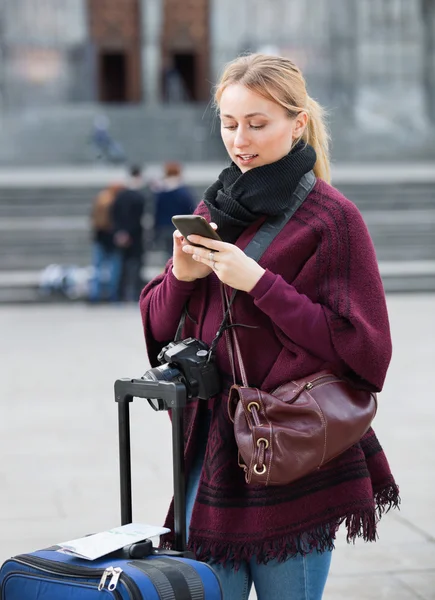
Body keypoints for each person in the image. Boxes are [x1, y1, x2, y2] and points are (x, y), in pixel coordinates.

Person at [139, 54, 399, 600]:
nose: (241, 140)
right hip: (211, 451)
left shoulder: (333, 219)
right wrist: (183, 277)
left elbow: (364, 350)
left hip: (293, 442)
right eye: (229, 124)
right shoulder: (215, 207)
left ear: (297, 122)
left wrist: (259, 283)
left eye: (258, 124)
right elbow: (159, 327)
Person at [112, 165, 145, 301]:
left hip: (121, 235)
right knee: (135, 266)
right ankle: (135, 293)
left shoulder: (120, 195)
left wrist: (120, 232)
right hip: (135, 236)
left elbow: (115, 215)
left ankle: (120, 294)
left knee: (123, 266)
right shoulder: (137, 196)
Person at [153, 162, 197, 260]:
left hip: (164, 226)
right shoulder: (183, 192)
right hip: (180, 227)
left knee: (168, 254)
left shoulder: (160, 191)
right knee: (180, 254)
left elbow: (157, 211)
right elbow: (190, 209)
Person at [89, 182, 124, 302]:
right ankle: (112, 294)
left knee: (97, 268)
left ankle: (95, 294)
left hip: (99, 237)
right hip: (112, 239)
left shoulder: (100, 200)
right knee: (114, 268)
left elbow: (93, 219)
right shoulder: (115, 202)